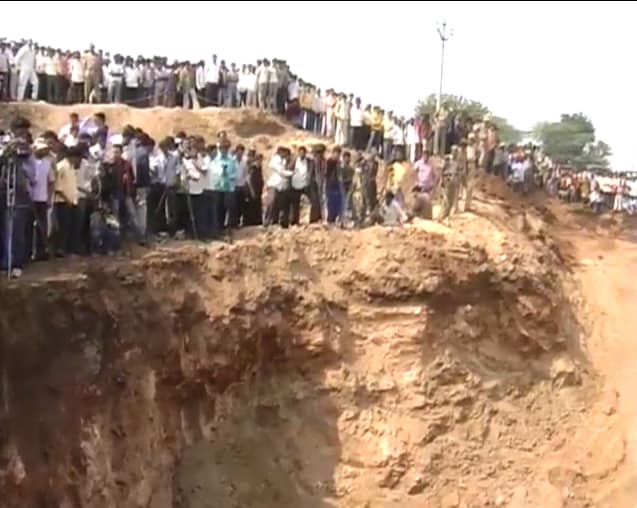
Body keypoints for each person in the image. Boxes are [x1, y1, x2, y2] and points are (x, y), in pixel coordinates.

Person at [207, 137, 237, 236]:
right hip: (217, 187)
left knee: (229, 208)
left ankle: (228, 229)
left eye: (226, 148)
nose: (224, 150)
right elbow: (212, 172)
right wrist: (220, 175)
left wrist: (229, 176)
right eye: (222, 148)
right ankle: (217, 229)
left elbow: (235, 173)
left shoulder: (232, 160)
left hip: (228, 188)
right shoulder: (215, 160)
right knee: (217, 208)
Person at [53, 146, 80, 256]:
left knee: (70, 226)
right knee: (63, 227)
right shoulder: (61, 167)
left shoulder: (71, 167)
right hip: (62, 202)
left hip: (72, 201)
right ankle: (61, 249)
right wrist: (67, 200)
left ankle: (68, 249)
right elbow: (57, 187)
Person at [412, 150, 436, 219]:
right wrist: (415, 181)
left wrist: (433, 184)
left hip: (428, 187)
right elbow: (413, 172)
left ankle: (425, 216)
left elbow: (435, 175)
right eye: (425, 155)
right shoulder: (419, 163)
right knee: (418, 202)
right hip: (420, 186)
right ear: (423, 156)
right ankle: (417, 216)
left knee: (427, 202)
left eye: (427, 156)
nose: (426, 157)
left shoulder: (431, 165)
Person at [438, 150, 459, 223]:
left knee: (450, 202)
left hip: (453, 184)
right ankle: (441, 217)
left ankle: (445, 217)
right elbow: (442, 174)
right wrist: (442, 182)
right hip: (447, 184)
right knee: (446, 202)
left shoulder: (455, 164)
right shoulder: (446, 165)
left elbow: (457, 174)